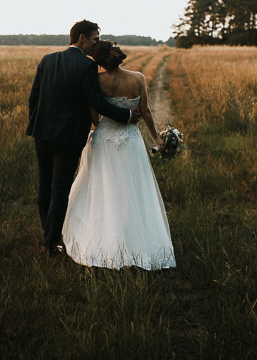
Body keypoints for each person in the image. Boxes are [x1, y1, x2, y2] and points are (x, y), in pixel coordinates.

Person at [26, 20, 141, 256]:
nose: (97, 43)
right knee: (60, 189)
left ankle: (47, 235)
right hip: (68, 138)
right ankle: (51, 243)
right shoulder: (86, 66)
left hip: (42, 134)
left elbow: (33, 98)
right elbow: (97, 103)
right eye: (95, 39)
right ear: (82, 38)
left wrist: (37, 124)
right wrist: (127, 115)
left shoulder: (47, 59)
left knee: (44, 185)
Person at [62, 40, 176, 270]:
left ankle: (104, 235)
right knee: (132, 189)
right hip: (131, 139)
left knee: (103, 189)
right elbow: (145, 111)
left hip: (104, 138)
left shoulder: (97, 80)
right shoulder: (138, 78)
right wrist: (156, 139)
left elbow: (94, 115)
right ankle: (134, 238)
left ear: (100, 61)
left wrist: (103, 124)